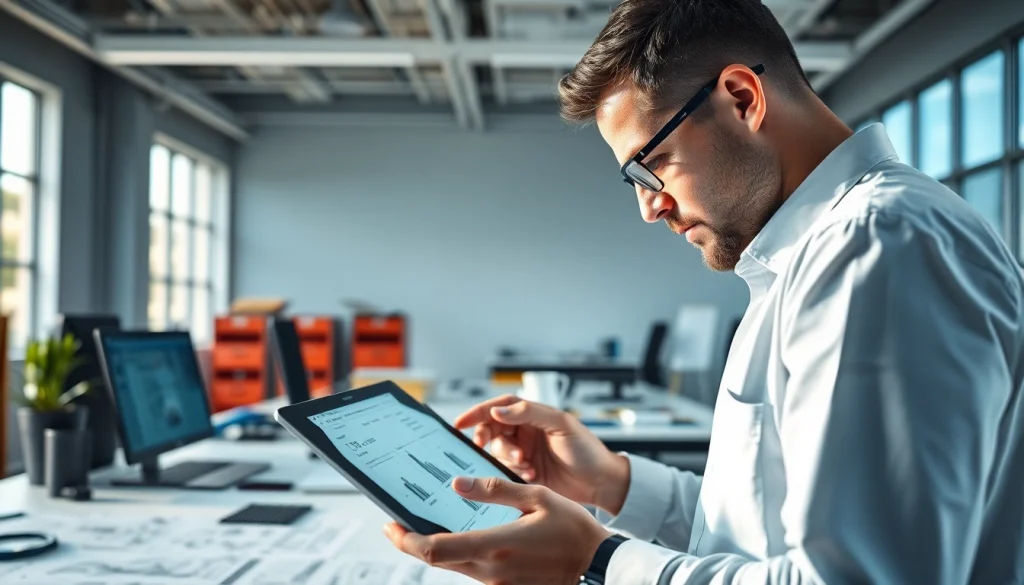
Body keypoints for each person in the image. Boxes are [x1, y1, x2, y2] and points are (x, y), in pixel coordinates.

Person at [384, 0, 1024, 582]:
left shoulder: (877, 245)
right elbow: (763, 539)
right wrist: (611, 482)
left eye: (650, 164)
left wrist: (598, 559)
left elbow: (859, 577)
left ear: (742, 98)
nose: (648, 209)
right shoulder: (809, 258)